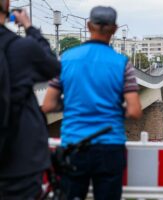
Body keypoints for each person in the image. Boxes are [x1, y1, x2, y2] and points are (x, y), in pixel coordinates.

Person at [42, 6, 142, 200]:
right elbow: (135, 111)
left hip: (74, 145)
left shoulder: (66, 59)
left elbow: (48, 105)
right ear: (114, 29)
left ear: (88, 25)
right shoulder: (122, 63)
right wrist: (113, 108)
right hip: (110, 147)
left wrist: (72, 104)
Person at [0, 1, 61, 199]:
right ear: (7, 6)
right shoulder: (23, 48)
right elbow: (52, 66)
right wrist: (29, 27)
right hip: (19, 160)